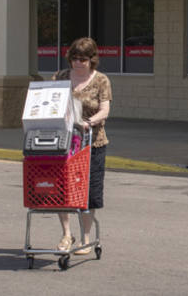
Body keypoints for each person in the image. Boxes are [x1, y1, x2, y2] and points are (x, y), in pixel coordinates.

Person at [57, 37, 110, 253]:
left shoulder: (101, 81)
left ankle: (85, 238)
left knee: (89, 191)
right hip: (65, 142)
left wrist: (89, 122)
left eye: (84, 59)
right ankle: (66, 234)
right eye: (75, 58)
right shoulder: (60, 77)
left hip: (92, 141)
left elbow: (105, 109)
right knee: (63, 189)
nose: (78, 63)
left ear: (92, 60)